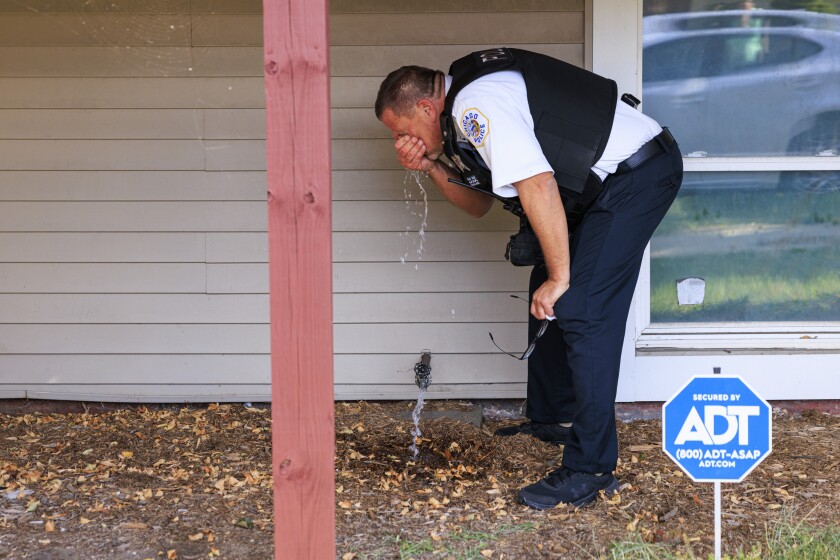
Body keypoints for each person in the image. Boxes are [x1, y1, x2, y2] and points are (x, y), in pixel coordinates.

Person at [375, 47, 683, 509]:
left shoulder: (477, 106)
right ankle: (553, 419)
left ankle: (591, 469)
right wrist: (431, 165)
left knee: (581, 306)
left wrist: (562, 278)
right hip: (598, 190)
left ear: (424, 108)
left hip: (636, 175)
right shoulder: (460, 119)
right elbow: (477, 205)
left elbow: (537, 183)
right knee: (548, 279)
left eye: (402, 131)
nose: (403, 141)